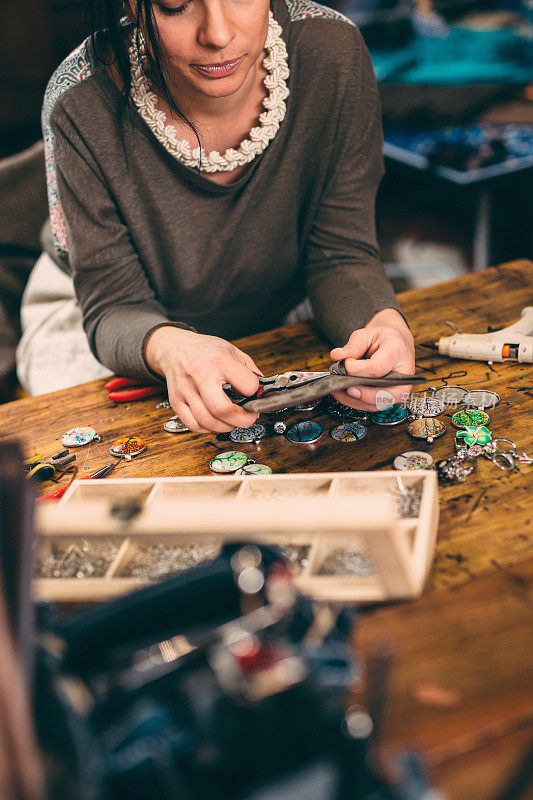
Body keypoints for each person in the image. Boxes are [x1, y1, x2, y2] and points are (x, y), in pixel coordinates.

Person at [17, 0, 415, 432]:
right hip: (112, 325)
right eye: (176, 5)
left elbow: (339, 254)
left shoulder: (332, 52)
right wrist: (172, 349)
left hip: (279, 302)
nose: (218, 35)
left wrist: (382, 323)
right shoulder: (79, 101)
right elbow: (115, 304)